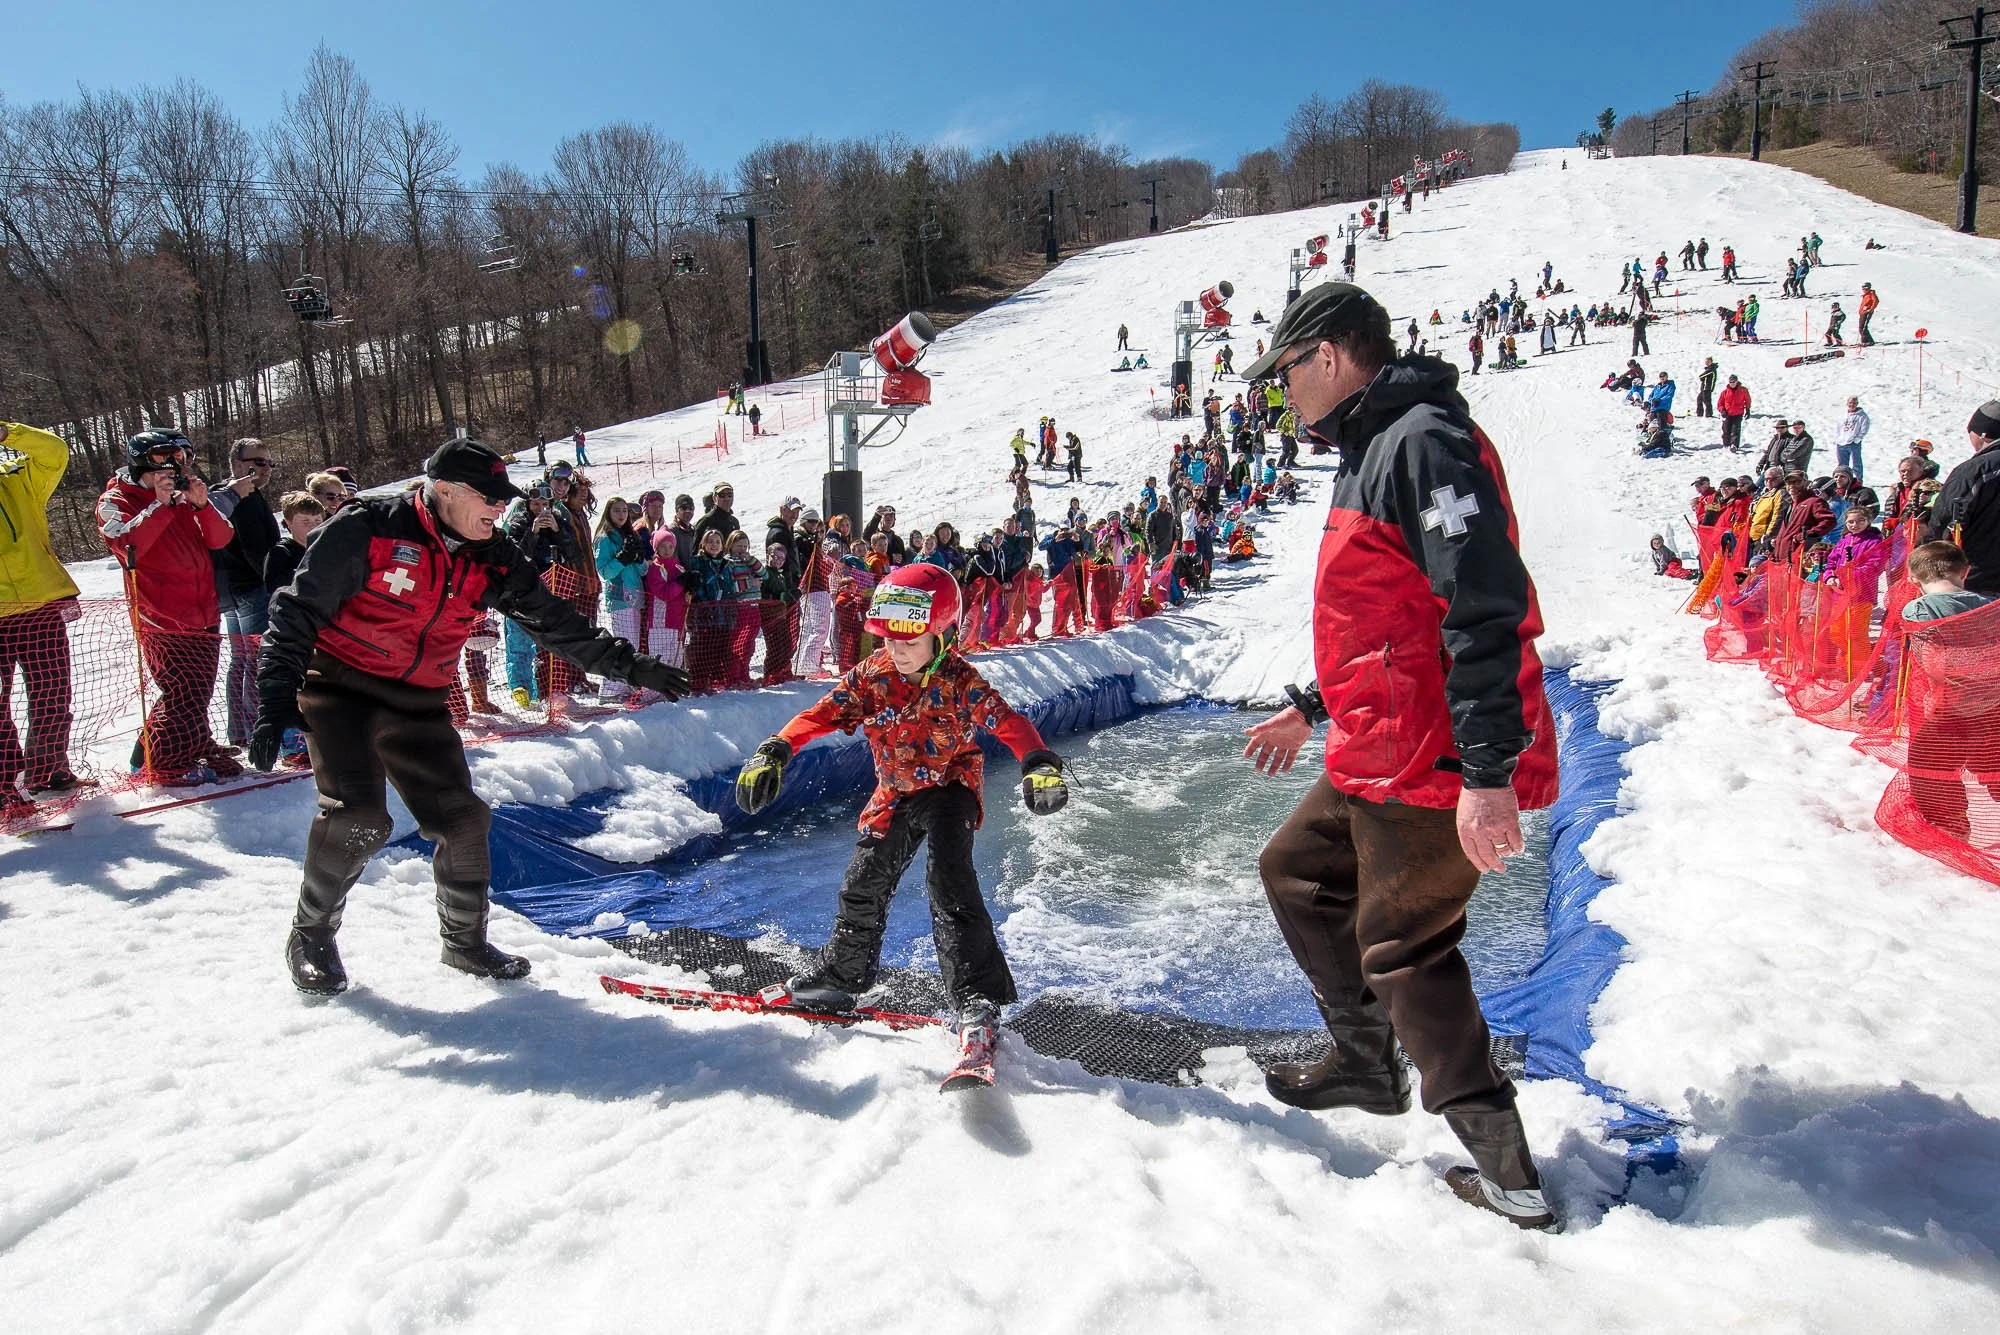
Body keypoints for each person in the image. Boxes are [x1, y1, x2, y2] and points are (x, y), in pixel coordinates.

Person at [1236, 282, 1561, 1231]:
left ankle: (1507, 1170)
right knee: (1298, 870)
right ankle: (1367, 1063)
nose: (1280, 393)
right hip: (1379, 741)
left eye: (1287, 372)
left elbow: (1482, 607)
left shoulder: (1420, 440)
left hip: (1434, 753)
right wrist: (1313, 705)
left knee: (1404, 945)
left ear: (1331, 357)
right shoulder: (1373, 445)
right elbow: (1384, 618)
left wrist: (1490, 773)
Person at [250, 439, 691, 994]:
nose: (498, 509)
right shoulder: (371, 526)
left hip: (418, 702)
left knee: (463, 819)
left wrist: (633, 667)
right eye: (488, 497)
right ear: (445, 491)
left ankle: (464, 943)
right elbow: (297, 609)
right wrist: (274, 700)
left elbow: (555, 623)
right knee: (358, 817)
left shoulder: (494, 555)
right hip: (342, 689)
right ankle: (310, 935)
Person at [732, 564, 1069, 1062]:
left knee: (948, 879)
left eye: (909, 640)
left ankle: (976, 998)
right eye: (887, 639)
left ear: (943, 632)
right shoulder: (873, 676)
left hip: (949, 786)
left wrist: (1038, 764)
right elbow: (820, 714)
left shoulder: (959, 679)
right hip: (894, 793)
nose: (896, 649)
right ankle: (842, 977)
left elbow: (1007, 721)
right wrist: (777, 749)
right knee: (861, 886)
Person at [97, 427, 240, 785]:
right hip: (161, 616)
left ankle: (192, 744)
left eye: (181, 458)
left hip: (203, 609)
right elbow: (126, 546)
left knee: (199, 691)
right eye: (163, 459)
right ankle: (161, 761)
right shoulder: (115, 501)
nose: (173, 468)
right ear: (140, 464)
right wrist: (158, 506)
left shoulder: (182, 497)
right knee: (182, 692)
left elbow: (221, 538)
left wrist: (202, 504)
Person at [0, 420, 84, 807]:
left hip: (39, 604)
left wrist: (8, 433)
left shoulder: (17, 477)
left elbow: (55, 453)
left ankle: (48, 770)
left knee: (52, 693)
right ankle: (5, 781)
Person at [1898, 541, 2000, 838]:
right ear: (1965, 572)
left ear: (1913, 580)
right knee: (1991, 764)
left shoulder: (1919, 608)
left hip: (1950, 710)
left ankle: (1950, 824)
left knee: (1928, 764)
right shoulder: (1990, 606)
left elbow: (1936, 664)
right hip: (1993, 706)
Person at [209, 438, 281, 749]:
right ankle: (254, 732)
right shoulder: (242, 497)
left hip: (231, 592)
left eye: (269, 463)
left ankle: (239, 731)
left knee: (242, 660)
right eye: (258, 462)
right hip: (251, 588)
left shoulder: (227, 495)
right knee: (255, 660)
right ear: (237, 464)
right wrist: (276, 580)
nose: (265, 469)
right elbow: (256, 550)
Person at [1924, 400, 2000, 593]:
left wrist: (1931, 555)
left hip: (1979, 577)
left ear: (1981, 434)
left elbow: (1945, 519)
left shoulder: (1976, 470)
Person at [594, 497, 651, 700]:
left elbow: (643, 569)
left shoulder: (630, 535)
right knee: (621, 644)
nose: (621, 515)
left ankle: (625, 684)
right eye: (617, 511)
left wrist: (637, 559)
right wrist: (621, 559)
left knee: (632, 644)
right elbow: (604, 571)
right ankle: (610, 689)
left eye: (624, 511)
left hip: (635, 596)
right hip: (618, 597)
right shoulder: (605, 537)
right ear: (609, 513)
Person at [263, 491, 326, 601]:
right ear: (289, 523)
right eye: (305, 521)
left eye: (317, 521)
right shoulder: (281, 553)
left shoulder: (327, 549)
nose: (313, 526)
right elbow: (277, 590)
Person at [1833, 396, 1871, 481]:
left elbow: (1864, 428)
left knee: (1856, 464)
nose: (1852, 405)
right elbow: (1838, 427)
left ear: (1857, 404)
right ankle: (1842, 480)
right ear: (1847, 404)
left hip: (1853, 443)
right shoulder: (1843, 415)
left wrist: (1857, 439)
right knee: (1842, 465)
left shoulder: (1862, 416)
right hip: (1842, 442)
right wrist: (1838, 438)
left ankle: (1858, 480)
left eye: (1854, 403)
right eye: (1850, 403)